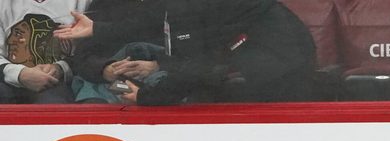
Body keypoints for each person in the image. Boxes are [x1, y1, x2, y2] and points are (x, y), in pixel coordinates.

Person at [55, 0, 315, 105]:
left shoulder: (195, 8)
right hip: (262, 67)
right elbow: (150, 18)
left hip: (279, 82)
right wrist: (98, 29)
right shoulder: (180, 6)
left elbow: (198, 70)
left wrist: (146, 96)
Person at [53, 1, 167, 104]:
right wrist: (105, 70)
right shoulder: (105, 5)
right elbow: (83, 56)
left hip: (162, 84)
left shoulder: (171, 7)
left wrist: (156, 66)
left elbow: (178, 56)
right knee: (96, 102)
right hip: (110, 84)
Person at [1, 1, 89, 104]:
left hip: (58, 85)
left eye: (18, 34)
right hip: (5, 82)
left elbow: (92, 52)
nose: (10, 41)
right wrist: (19, 74)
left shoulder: (82, 2)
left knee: (54, 103)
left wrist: (61, 67)